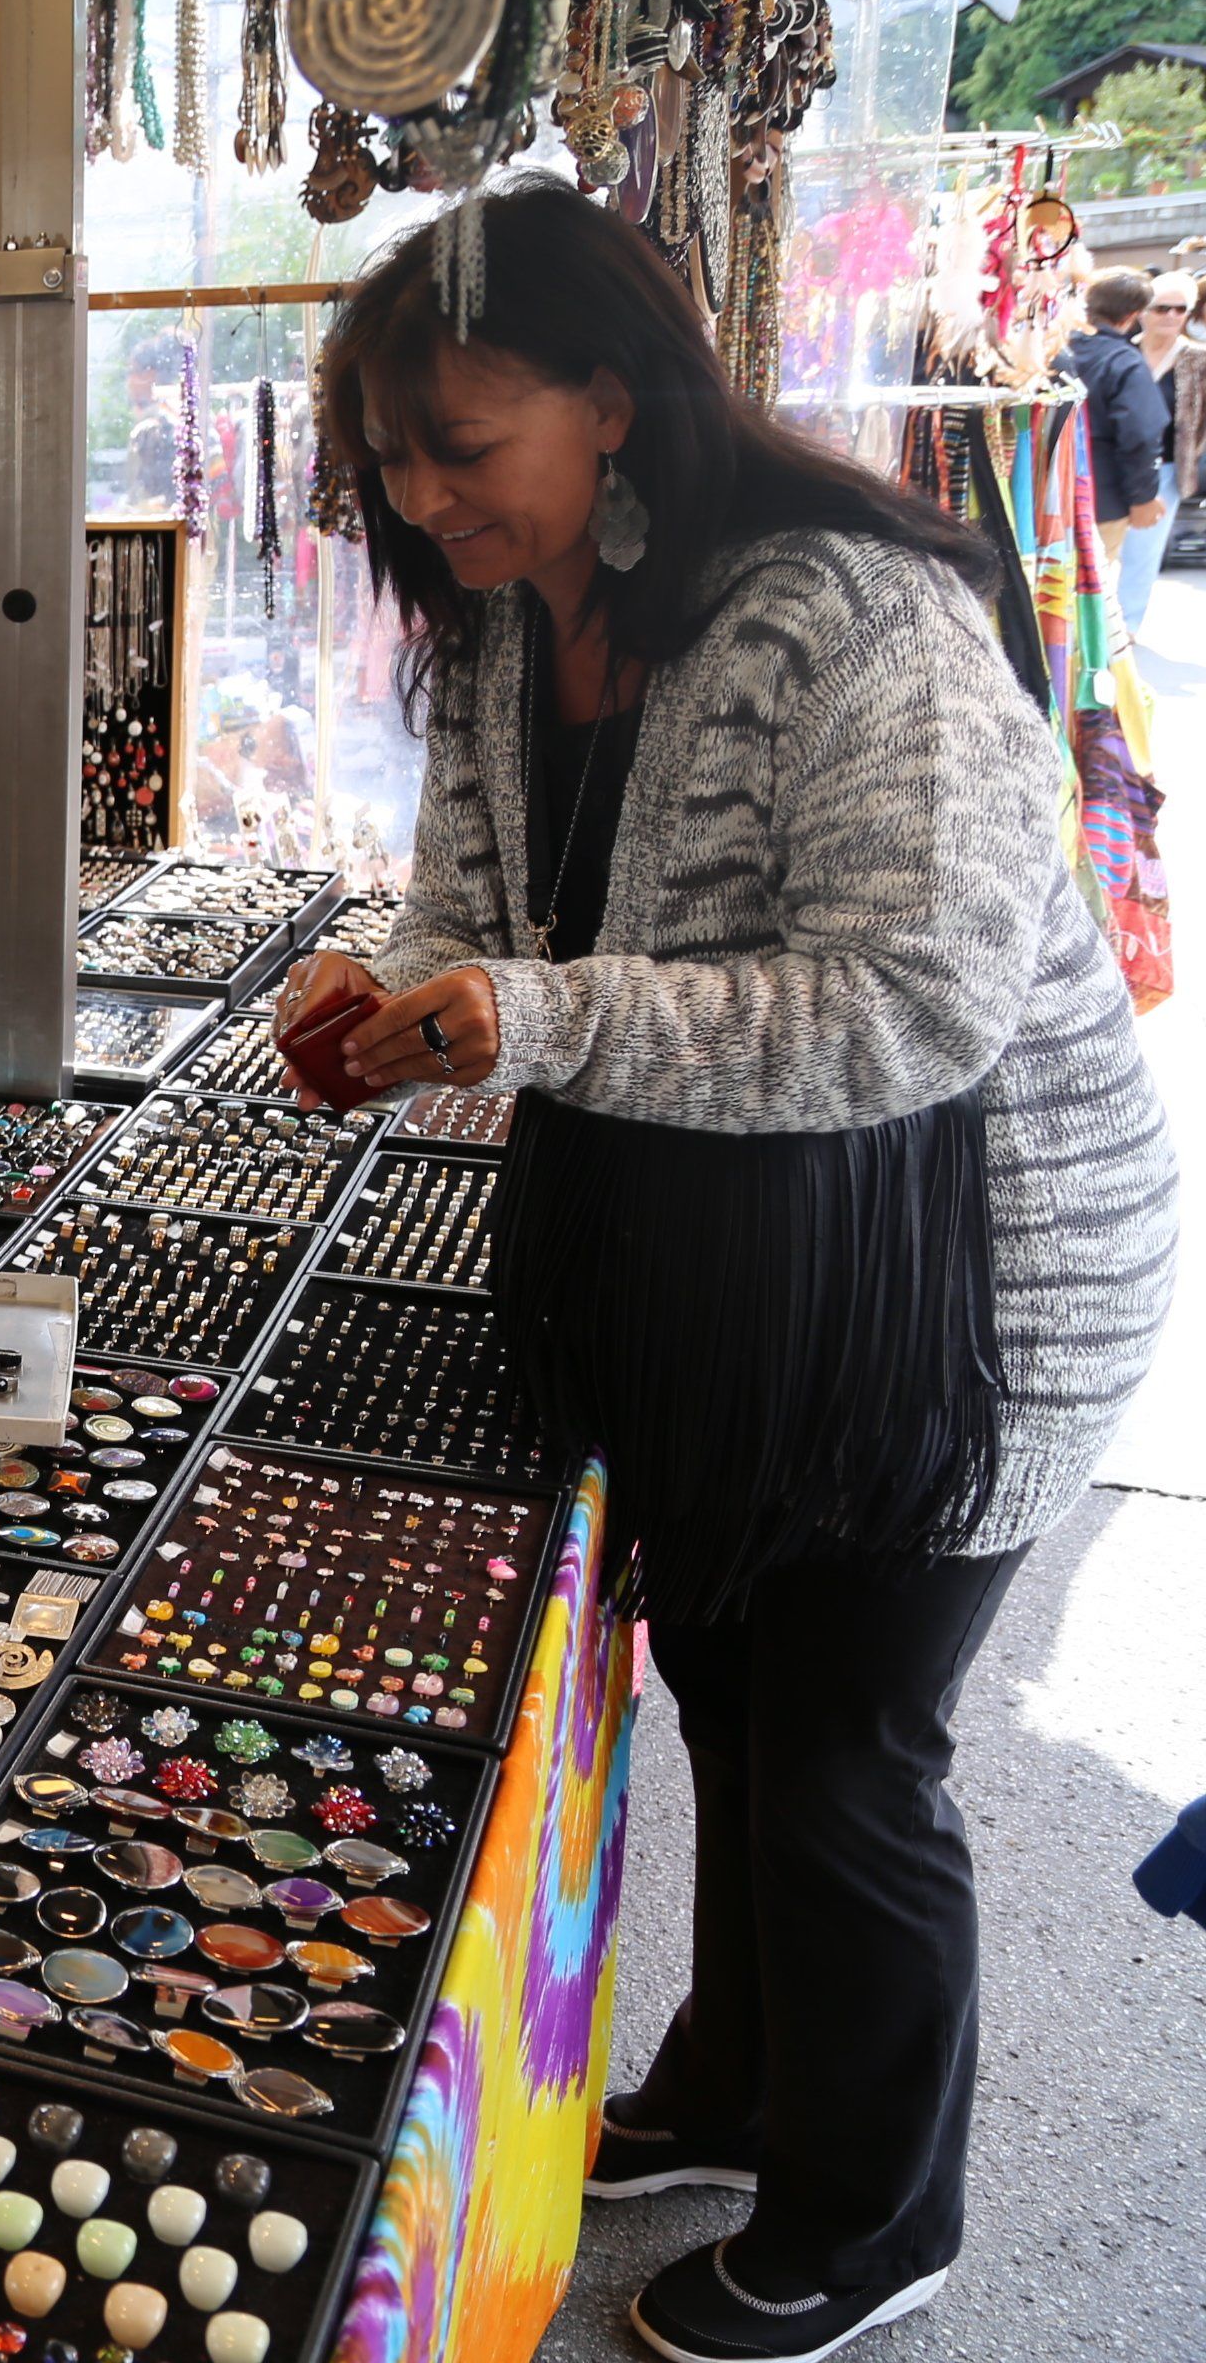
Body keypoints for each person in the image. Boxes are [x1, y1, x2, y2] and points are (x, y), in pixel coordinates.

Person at [281, 182, 1174, 2363]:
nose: (423, 500)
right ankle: (741, 2086)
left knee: (846, 1748)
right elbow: (475, 896)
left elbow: (911, 1003)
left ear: (610, 403)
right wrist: (389, 991)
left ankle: (879, 2213)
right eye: (390, 459)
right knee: (730, 1690)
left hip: (971, 1289)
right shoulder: (510, 624)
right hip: (737, 1278)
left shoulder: (854, 617)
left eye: (459, 448)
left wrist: (532, 1016)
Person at [1062, 267, 1172, 632]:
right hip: (1102, 496)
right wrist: (1143, 497)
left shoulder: (1059, 351)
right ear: (1133, 315)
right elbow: (1140, 434)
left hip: (1048, 490)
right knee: (1088, 591)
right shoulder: (1122, 361)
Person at [1143, 269, 1201, 631]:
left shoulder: (1198, 358)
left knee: (1147, 549)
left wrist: (1193, 449)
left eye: (1180, 309)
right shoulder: (1126, 350)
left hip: (1167, 464)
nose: (1171, 316)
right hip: (1117, 463)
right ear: (1145, 311)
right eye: (1163, 307)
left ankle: (1128, 624)